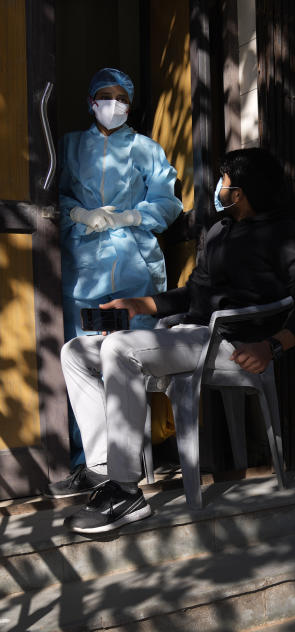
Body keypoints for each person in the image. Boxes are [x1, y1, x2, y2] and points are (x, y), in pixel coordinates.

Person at [47, 148, 295, 535]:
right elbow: (193, 294)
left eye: (224, 181)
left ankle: (127, 494)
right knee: (76, 351)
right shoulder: (218, 231)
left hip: (234, 343)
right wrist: (138, 305)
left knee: (118, 349)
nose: (218, 188)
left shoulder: (284, 234)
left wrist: (274, 345)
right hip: (190, 336)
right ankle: (103, 469)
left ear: (240, 191)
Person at [58, 67, 183, 469]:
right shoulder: (70, 146)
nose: (113, 105)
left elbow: (167, 201)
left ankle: (135, 461)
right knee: (86, 364)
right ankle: (91, 461)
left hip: (135, 269)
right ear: (91, 102)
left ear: (130, 105)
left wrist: (128, 218)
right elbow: (48, 198)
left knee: (130, 365)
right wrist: (78, 213)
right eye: (105, 97)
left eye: (121, 99)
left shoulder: (147, 149)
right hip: (84, 274)